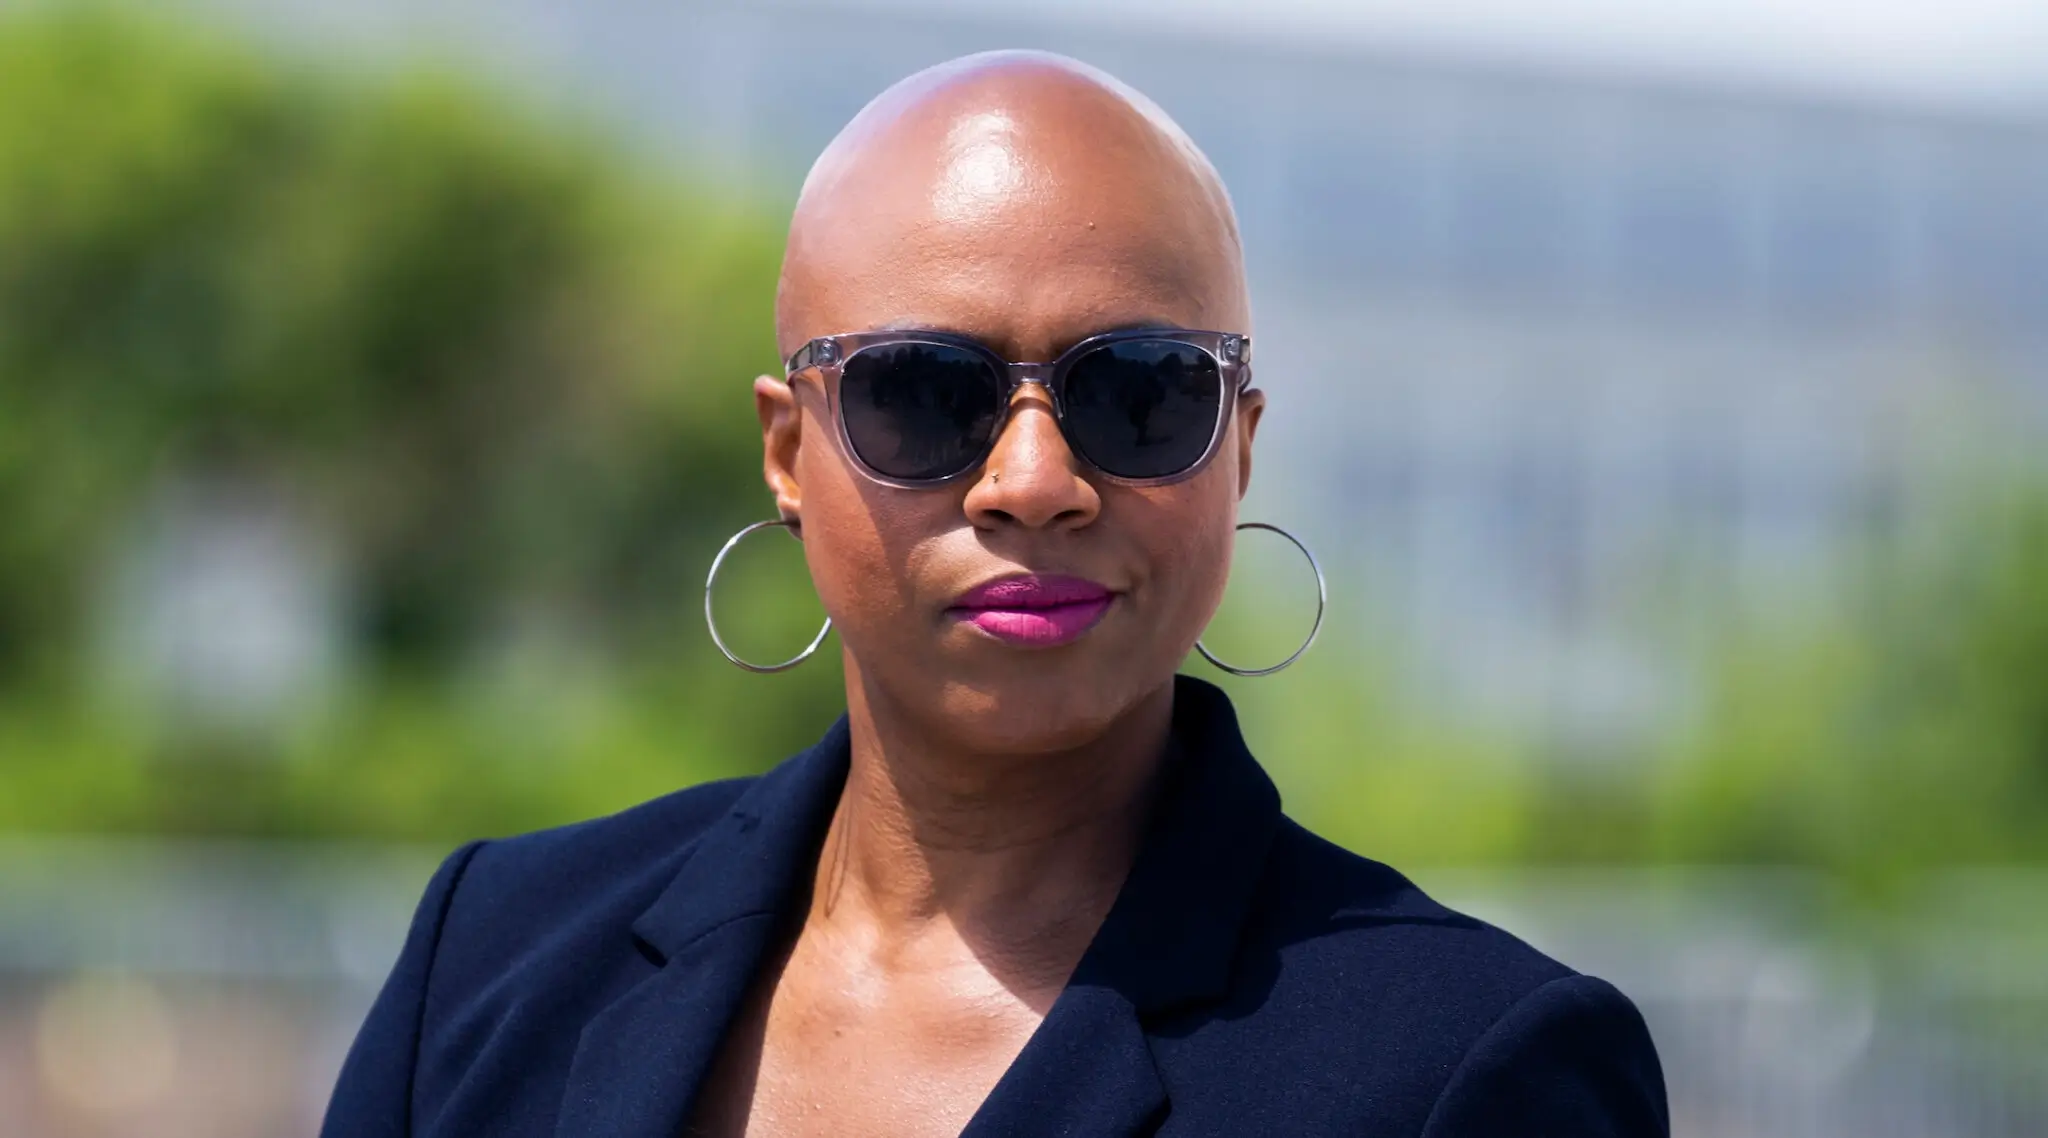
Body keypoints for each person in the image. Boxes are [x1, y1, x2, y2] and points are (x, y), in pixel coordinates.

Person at [322, 51, 1668, 1137]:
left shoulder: (1466, 1068)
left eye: (1141, 394)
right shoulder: (494, 957)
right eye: (924, 394)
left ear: (1239, 447)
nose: (1033, 481)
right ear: (791, 451)